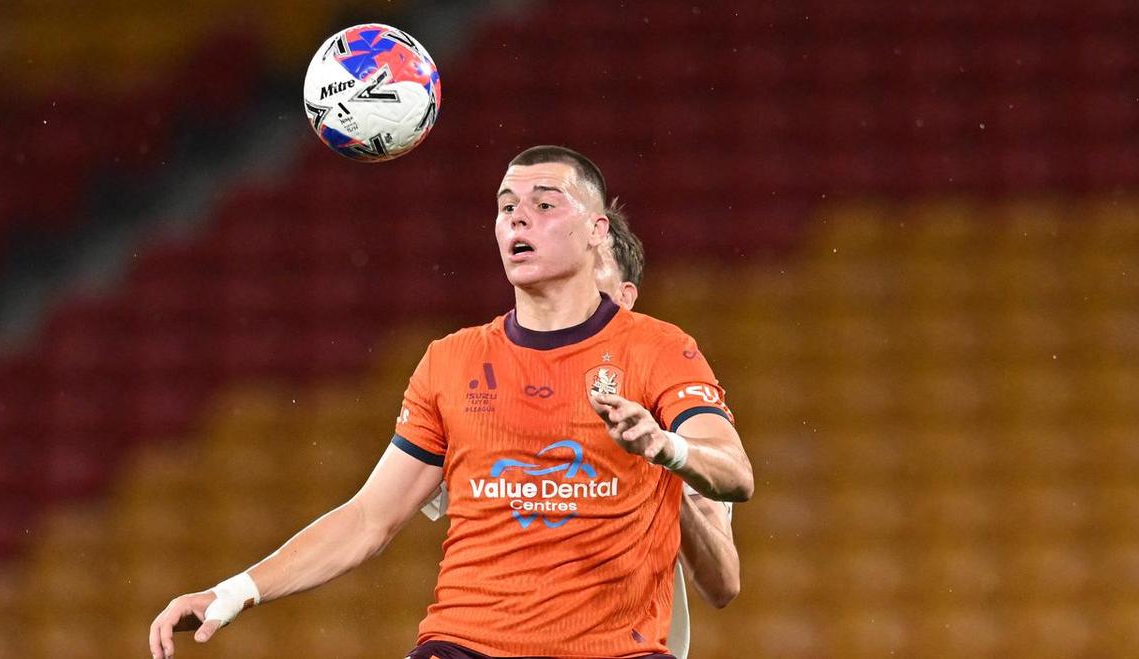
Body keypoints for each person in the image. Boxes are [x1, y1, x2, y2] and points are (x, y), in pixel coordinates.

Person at [149, 145, 754, 659]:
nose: (519, 218)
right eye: (507, 207)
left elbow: (735, 475)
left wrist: (666, 448)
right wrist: (233, 592)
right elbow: (368, 519)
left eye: (545, 205)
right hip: (466, 645)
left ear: (597, 232)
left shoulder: (660, 351)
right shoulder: (452, 360)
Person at [418, 205, 740, 658]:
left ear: (624, 299)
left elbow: (723, 584)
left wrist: (660, 468)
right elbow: (375, 518)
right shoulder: (490, 399)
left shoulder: (677, 421)